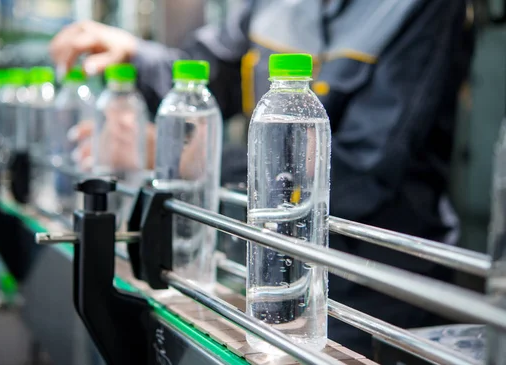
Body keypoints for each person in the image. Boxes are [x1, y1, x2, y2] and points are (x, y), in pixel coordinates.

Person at [50, 0, 474, 356]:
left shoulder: (418, 8)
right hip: (271, 280)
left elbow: (365, 169)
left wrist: (180, 155)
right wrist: (136, 54)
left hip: (376, 298)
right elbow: (208, 73)